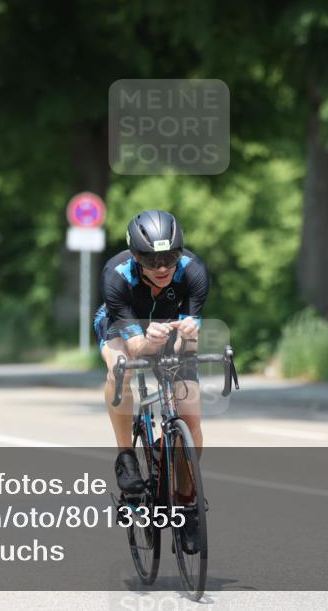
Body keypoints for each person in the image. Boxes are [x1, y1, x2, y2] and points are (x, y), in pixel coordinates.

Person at [95, 210, 209, 497]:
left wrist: (186, 337)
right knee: (121, 367)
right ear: (135, 256)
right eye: (150, 260)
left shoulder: (194, 271)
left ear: (180, 253)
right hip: (123, 327)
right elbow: (135, 348)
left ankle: (186, 495)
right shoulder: (115, 275)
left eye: (170, 258)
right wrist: (146, 339)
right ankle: (126, 457)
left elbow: (190, 344)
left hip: (170, 329)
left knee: (191, 417)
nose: (161, 268)